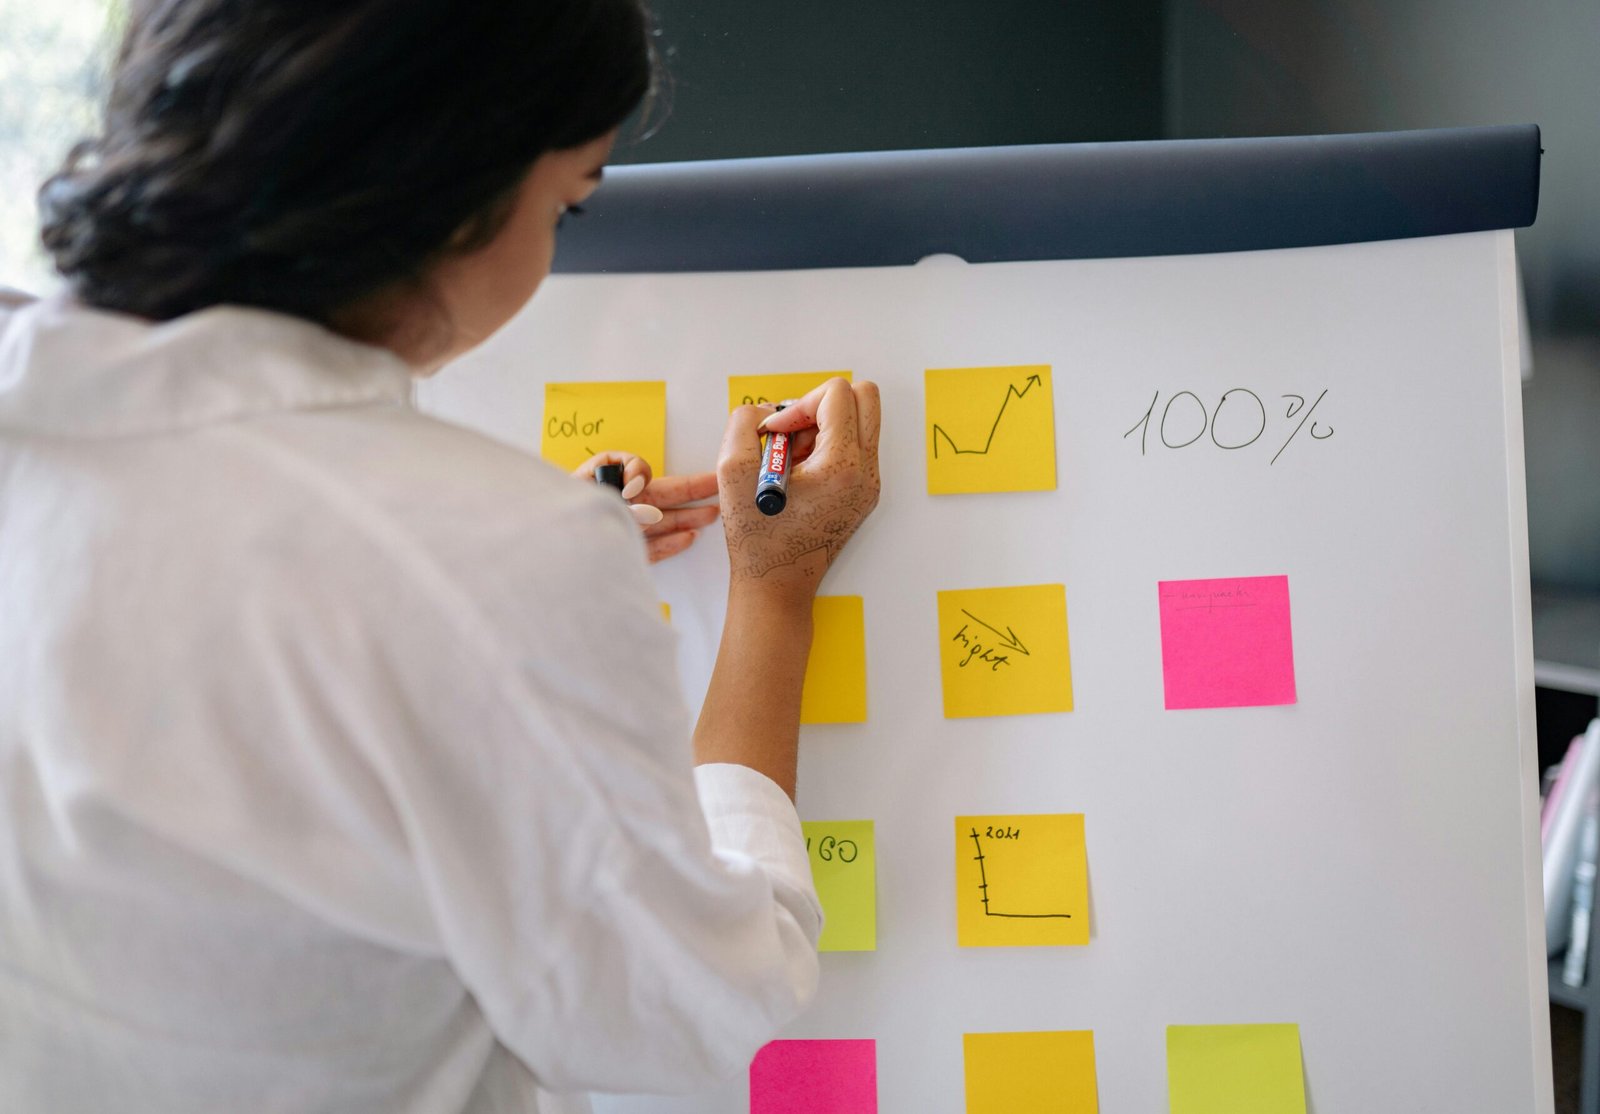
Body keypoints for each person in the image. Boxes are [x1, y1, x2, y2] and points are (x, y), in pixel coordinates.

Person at [0, 2, 880, 1112]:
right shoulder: (489, 554)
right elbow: (690, 1010)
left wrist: (482, 575)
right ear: (444, 184)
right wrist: (771, 592)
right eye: (567, 200)